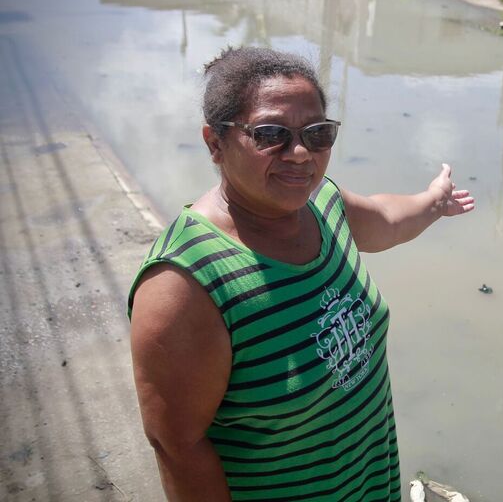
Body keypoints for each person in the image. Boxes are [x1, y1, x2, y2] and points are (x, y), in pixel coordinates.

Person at [128, 46, 475, 502]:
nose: (299, 154)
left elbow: (387, 219)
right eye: (271, 134)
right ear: (215, 143)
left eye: (317, 134)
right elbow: (178, 447)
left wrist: (434, 202)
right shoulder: (185, 283)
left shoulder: (323, 205)